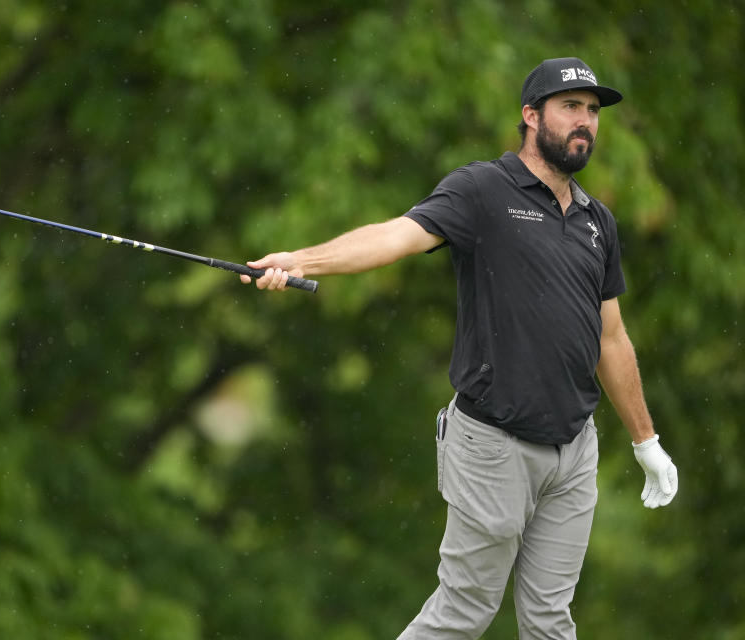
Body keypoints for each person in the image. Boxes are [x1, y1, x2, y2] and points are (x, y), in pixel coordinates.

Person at [241, 57, 678, 639]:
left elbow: (611, 336)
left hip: (575, 451)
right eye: (571, 107)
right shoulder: (483, 189)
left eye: (593, 112)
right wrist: (300, 260)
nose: (586, 123)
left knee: (551, 621)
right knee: (463, 614)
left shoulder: (599, 221)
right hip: (494, 444)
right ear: (531, 116)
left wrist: (645, 439)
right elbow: (395, 235)